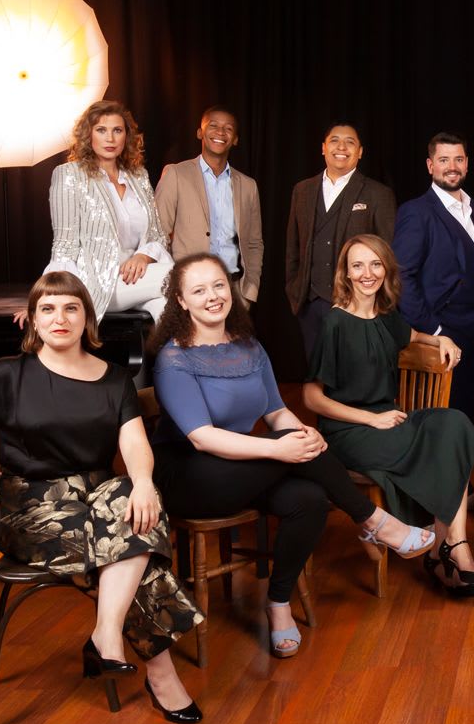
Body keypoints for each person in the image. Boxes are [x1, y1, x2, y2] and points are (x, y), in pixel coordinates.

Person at [0, 271, 201, 724]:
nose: (59, 318)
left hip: (100, 500)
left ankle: (106, 632)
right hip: (32, 511)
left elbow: (135, 445)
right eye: (48, 309)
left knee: (136, 499)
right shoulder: (9, 374)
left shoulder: (115, 380)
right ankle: (159, 673)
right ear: (34, 321)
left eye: (70, 308)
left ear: (87, 319)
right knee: (138, 544)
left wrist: (140, 482)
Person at [149, 253, 435, 657]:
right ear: (180, 300)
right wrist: (280, 446)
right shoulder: (174, 359)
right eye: (199, 290)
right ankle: (374, 521)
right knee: (299, 454)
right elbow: (202, 439)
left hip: (246, 467)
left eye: (218, 285)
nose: (212, 296)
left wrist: (301, 432)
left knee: (309, 499)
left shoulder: (249, 346)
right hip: (192, 478)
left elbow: (276, 410)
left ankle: (278, 602)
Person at [304, 234, 474, 598]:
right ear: (345, 272)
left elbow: (415, 334)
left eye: (375, 264)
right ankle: (449, 550)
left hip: (390, 420)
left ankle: (448, 545)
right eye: (357, 265)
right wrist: (369, 419)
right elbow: (311, 397)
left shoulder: (387, 319)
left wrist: (441, 340)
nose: (367, 273)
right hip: (349, 430)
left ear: (386, 269)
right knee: (434, 446)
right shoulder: (335, 324)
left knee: (454, 425)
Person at [391, 132, 474, 424]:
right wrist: (435, 331)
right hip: (439, 335)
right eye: (443, 159)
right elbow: (401, 277)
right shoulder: (415, 212)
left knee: (463, 418)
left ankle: (459, 469)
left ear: (466, 164)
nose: (451, 166)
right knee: (435, 422)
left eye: (458, 159)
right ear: (430, 165)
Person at [44, 100, 172, 321]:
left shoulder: (138, 176)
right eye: (101, 130)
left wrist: (143, 255)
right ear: (88, 135)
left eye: (117, 130)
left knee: (168, 308)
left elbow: (158, 235)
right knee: (184, 277)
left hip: (140, 278)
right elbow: (64, 244)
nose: (110, 139)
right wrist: (49, 299)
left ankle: (180, 355)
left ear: (127, 136)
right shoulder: (69, 175)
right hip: (99, 284)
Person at [285, 122, 398, 353]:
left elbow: (388, 254)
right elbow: (293, 247)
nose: (342, 147)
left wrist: (373, 303)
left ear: (360, 152)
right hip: (310, 304)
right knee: (317, 378)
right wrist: (295, 289)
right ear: (323, 148)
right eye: (335, 140)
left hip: (357, 306)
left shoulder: (378, 194)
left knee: (352, 380)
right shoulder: (302, 190)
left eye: (350, 142)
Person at [154, 106, 265, 310]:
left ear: (236, 139)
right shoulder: (176, 174)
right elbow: (157, 233)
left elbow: (254, 243)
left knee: (231, 343)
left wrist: (249, 292)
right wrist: (174, 285)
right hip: (188, 288)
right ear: (200, 132)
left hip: (233, 289)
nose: (221, 132)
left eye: (228, 128)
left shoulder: (248, 186)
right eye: (213, 125)